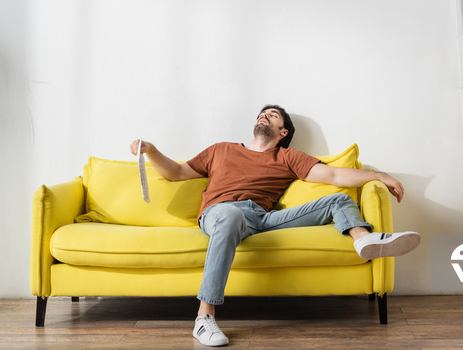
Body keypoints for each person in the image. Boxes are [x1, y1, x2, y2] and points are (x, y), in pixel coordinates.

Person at [130, 105, 420, 347]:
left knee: (337, 201)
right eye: (262, 113)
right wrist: (152, 150)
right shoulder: (221, 150)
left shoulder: (287, 157)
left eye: (272, 115)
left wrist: (380, 176)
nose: (263, 116)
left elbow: (333, 174)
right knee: (231, 215)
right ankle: (204, 318)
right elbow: (177, 173)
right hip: (221, 213)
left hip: (262, 219)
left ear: (283, 132)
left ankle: (363, 240)